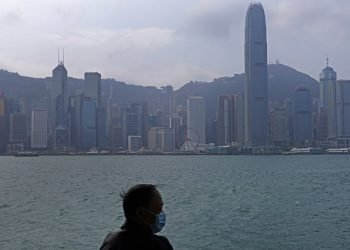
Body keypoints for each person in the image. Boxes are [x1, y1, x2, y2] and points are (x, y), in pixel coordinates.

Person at [100, 184, 173, 250]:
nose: (161, 213)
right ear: (140, 213)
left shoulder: (110, 239)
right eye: (159, 208)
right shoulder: (158, 245)